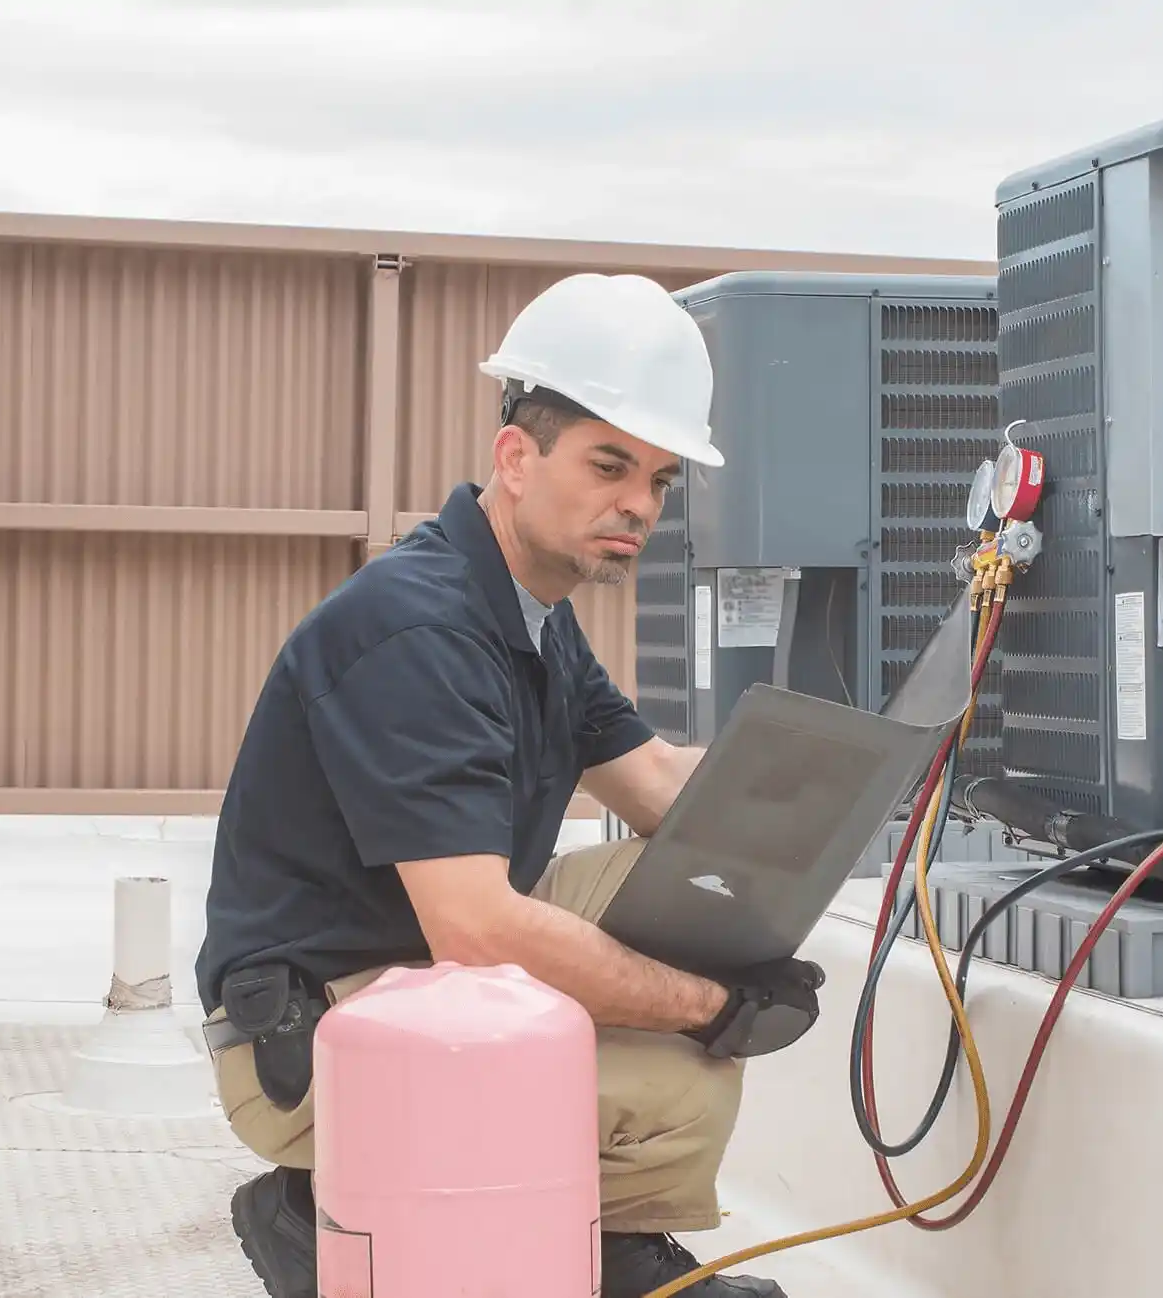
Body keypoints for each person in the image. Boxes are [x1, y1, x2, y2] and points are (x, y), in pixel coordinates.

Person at [195, 272, 823, 1298]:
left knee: (689, 885)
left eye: (661, 478)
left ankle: (598, 1238)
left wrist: (838, 786)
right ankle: (322, 1213)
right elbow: (477, 927)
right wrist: (709, 1006)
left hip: (413, 963)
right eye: (610, 463)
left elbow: (660, 786)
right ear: (515, 457)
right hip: (319, 1032)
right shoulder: (419, 629)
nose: (637, 503)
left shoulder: (528, 613)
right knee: (676, 1079)